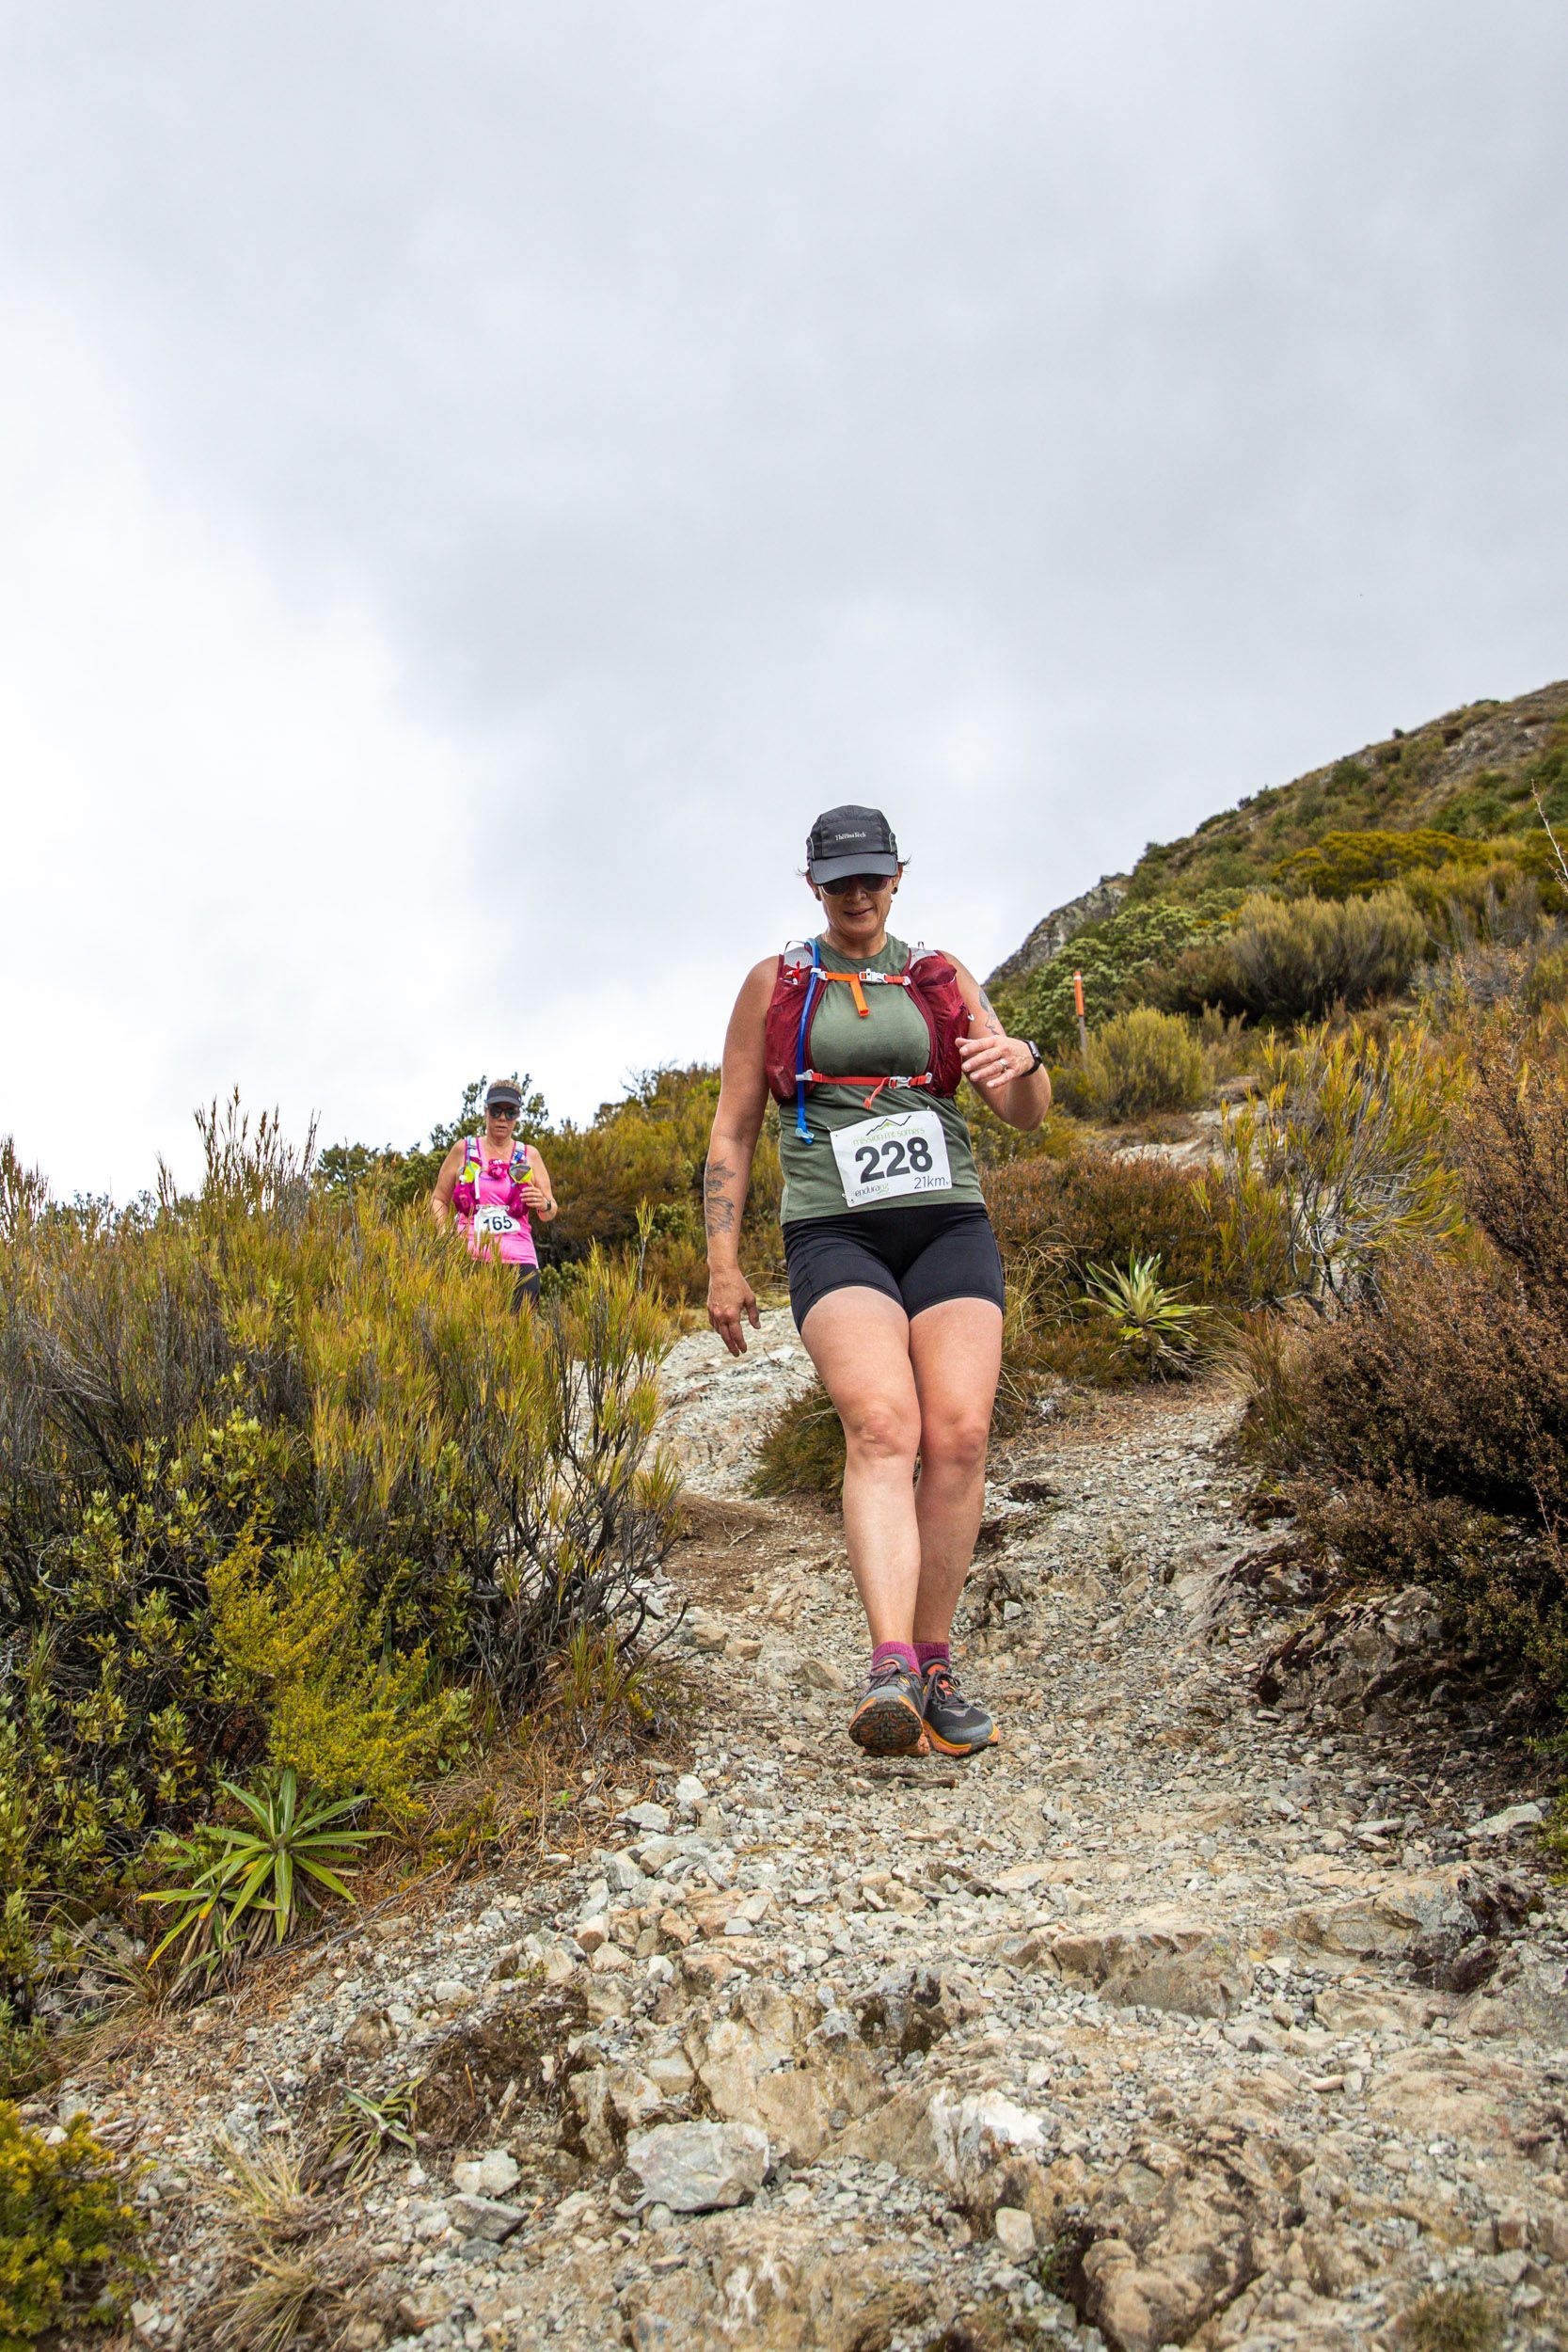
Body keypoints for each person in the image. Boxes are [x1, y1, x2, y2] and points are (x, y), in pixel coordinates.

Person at [704, 805, 1051, 1758]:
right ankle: (887, 1663)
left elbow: (1019, 1110)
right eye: (838, 880)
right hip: (831, 1229)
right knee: (882, 1425)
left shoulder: (936, 976)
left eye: (872, 876)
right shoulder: (774, 983)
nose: (857, 894)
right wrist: (722, 1262)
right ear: (811, 885)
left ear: (898, 876)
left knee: (961, 1434)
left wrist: (1024, 1060)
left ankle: (934, 1667)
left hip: (947, 1221)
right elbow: (733, 1128)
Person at [432, 1079, 559, 1309]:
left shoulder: (530, 1155)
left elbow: (549, 1211)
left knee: (519, 1337)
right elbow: (439, 1199)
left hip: (520, 1261)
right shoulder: (464, 1150)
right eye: (496, 1111)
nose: (502, 1118)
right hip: (469, 1258)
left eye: (510, 1113)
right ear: (485, 1112)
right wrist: (443, 1237)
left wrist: (544, 1204)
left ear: (518, 1116)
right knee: (467, 1335)